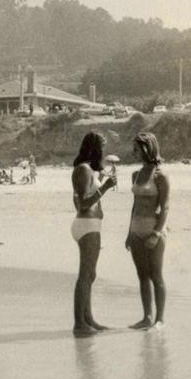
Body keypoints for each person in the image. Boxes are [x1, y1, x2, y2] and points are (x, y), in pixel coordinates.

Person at [71, 132, 117, 335]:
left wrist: (101, 180)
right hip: (86, 224)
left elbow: (87, 194)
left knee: (90, 274)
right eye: (102, 147)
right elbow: (82, 205)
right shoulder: (82, 169)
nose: (104, 152)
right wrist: (105, 187)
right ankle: (79, 324)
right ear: (95, 148)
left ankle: (88, 319)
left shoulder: (87, 170)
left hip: (91, 225)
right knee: (85, 275)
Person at [125, 133, 170, 330]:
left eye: (136, 149)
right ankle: (146, 317)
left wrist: (156, 233)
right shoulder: (135, 175)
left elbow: (165, 207)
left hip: (153, 228)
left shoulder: (160, 176)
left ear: (147, 149)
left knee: (156, 275)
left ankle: (159, 319)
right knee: (142, 275)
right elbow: (134, 206)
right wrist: (128, 233)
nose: (133, 153)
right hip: (136, 229)